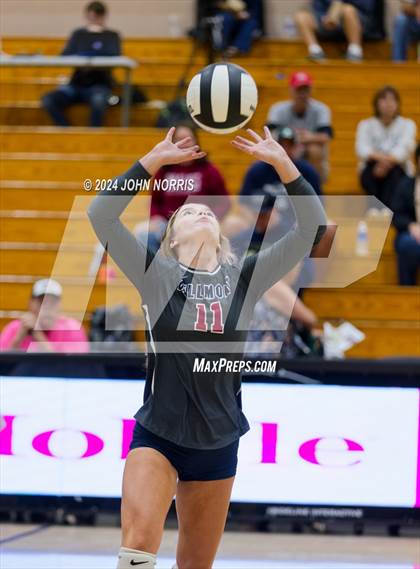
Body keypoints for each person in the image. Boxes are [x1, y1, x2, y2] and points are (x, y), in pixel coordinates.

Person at [87, 126, 326, 569]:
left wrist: (282, 163)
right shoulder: (156, 274)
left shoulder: (245, 277)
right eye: (188, 212)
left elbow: (313, 227)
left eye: (206, 212)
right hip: (159, 434)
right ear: (172, 237)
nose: (200, 212)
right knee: (137, 548)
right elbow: (100, 213)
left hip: (219, 441)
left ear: (220, 236)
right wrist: (152, 161)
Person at [135, 124, 230, 252]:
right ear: (173, 143)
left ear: (196, 142)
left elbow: (224, 202)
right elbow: (155, 201)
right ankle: (155, 265)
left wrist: (209, 219)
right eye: (179, 139)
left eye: (188, 139)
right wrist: (156, 217)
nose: (184, 143)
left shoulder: (209, 170)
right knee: (142, 232)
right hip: (168, 226)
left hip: (200, 223)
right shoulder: (163, 171)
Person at [42, 1, 121, 127]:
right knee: (49, 99)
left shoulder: (112, 36)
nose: (94, 21)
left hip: (99, 84)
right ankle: (67, 131)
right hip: (76, 84)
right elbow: (65, 56)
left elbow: (115, 57)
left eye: (97, 17)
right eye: (91, 17)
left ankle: (93, 135)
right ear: (87, 16)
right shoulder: (78, 34)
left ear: (103, 17)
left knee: (98, 100)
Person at [356, 86, 417, 209]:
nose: (388, 103)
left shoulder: (408, 124)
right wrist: (381, 161)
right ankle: (375, 210)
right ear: (376, 103)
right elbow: (361, 149)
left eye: (392, 99)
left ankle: (388, 211)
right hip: (371, 167)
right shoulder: (365, 124)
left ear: (398, 104)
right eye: (384, 99)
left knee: (394, 175)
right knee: (370, 175)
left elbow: (404, 150)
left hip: (398, 168)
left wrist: (385, 163)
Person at [267, 71, 333, 180]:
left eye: (305, 90)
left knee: (315, 150)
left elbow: (326, 137)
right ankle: (272, 183)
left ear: (311, 90)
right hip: (285, 147)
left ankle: (315, 184)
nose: (302, 94)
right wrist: (295, 139)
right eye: (299, 90)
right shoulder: (277, 109)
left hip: (306, 149)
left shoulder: (322, 109)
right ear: (291, 90)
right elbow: (267, 135)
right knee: (268, 149)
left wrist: (296, 139)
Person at [0, 279, 89, 353]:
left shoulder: (72, 329)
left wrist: (38, 335)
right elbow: (4, 365)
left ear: (59, 306)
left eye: (52, 302)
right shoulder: (14, 328)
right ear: (30, 303)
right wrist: (19, 337)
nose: (47, 308)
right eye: (42, 302)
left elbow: (68, 366)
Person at [294, 0, 376, 61]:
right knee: (301, 16)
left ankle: (355, 51)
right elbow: (318, 9)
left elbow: (367, 8)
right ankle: (315, 51)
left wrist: (339, 6)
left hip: (358, 22)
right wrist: (326, 18)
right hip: (327, 23)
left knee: (348, 10)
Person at [392, 143, 420, 285]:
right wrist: (411, 225)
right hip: (412, 233)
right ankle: (406, 290)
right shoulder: (405, 185)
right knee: (407, 244)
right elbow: (396, 215)